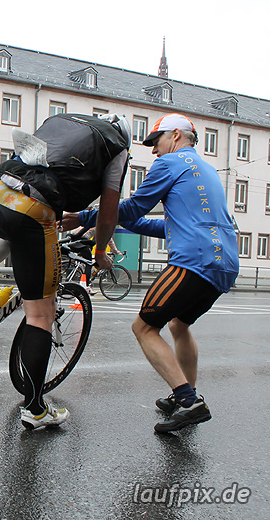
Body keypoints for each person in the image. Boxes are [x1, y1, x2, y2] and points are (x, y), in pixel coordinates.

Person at [61, 112, 239, 433]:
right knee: (178, 325)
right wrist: (119, 218)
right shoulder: (207, 171)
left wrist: (85, 217)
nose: (153, 151)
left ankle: (189, 401)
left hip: (193, 261)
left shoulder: (169, 164)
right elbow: (161, 223)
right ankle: (186, 393)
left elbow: (131, 208)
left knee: (143, 327)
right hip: (224, 263)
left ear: (175, 136)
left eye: (155, 142)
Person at [0, 112, 131, 430]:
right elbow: (109, 215)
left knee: (5, 232)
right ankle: (35, 409)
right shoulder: (117, 148)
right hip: (32, 210)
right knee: (40, 315)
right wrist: (99, 252)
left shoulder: (65, 121)